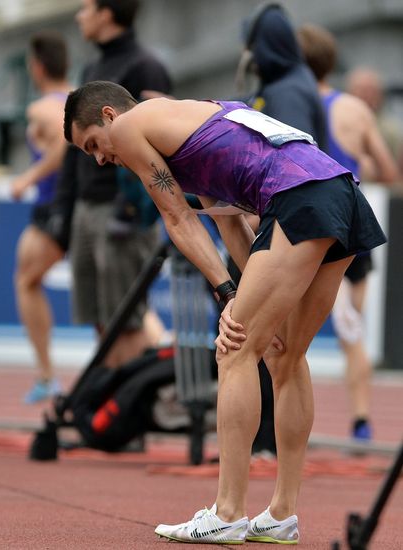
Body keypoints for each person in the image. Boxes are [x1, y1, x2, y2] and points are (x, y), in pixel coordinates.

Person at [64, 80, 386, 544]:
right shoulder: (196, 119)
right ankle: (281, 514)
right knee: (284, 355)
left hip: (299, 196)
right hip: (340, 192)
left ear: (111, 116)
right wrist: (241, 292)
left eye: (93, 144)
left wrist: (227, 295)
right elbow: (234, 224)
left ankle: (228, 511)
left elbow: (178, 218)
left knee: (234, 350)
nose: (99, 158)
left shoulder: (134, 125)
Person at [50, 0, 171, 371]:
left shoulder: (146, 66)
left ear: (106, 13)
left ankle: (127, 417)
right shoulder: (93, 67)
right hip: (87, 207)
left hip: (122, 212)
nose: (79, 15)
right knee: (101, 318)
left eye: (86, 7)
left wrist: (132, 207)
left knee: (127, 321)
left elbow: (160, 135)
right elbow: (74, 151)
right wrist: (65, 208)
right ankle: (110, 410)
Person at [298, 23, 400, 441]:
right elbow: (389, 172)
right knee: (350, 328)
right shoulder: (355, 111)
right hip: (355, 224)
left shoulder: (288, 104)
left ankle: (283, 433)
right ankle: (360, 418)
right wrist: (360, 169)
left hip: (316, 229)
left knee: (300, 336)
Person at [235, 2, 329, 457]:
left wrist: (261, 219)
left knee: (264, 347)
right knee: (279, 350)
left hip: (293, 219)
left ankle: (262, 442)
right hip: (299, 216)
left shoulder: (287, 90)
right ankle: (267, 448)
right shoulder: (285, 83)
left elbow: (295, 159)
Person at [11, 31, 72, 404]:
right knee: (26, 278)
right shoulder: (82, 97)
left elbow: (65, 144)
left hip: (54, 207)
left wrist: (28, 178)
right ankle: (46, 373)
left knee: (26, 281)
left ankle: (47, 374)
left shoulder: (40, 109)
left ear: (36, 66)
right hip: (70, 206)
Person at [346, 66, 403, 174]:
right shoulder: (336, 123)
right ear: (350, 92)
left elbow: (396, 174)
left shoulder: (391, 130)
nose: (367, 95)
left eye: (372, 90)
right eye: (361, 90)